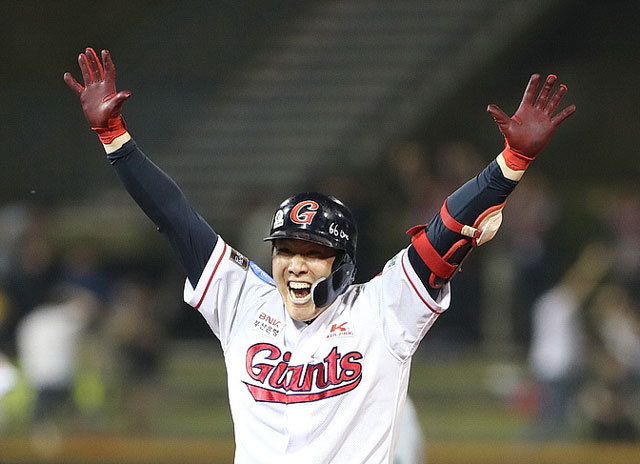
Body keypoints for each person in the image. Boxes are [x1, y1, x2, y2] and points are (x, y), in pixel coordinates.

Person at [64, 47, 575, 463]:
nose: (295, 263)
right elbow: (175, 217)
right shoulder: (243, 301)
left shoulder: (382, 311)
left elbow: (443, 234)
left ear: (342, 263)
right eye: (286, 250)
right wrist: (115, 140)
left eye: (314, 252)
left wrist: (510, 163)